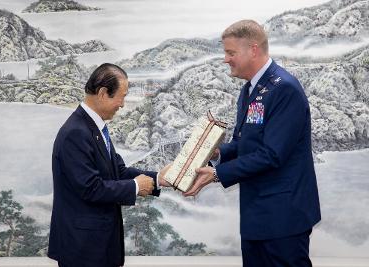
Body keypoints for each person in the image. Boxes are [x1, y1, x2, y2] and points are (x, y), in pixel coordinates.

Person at [184, 20, 321, 266]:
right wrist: (214, 153)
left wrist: (217, 174)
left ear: (253, 50)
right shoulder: (249, 89)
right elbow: (243, 141)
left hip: (283, 217)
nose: (226, 59)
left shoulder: (285, 89)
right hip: (256, 215)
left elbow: (272, 154)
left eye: (230, 52)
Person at [48, 63, 171, 267]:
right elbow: (90, 188)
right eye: (121, 96)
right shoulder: (76, 133)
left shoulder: (93, 127)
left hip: (98, 244)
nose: (123, 104)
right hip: (83, 249)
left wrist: (158, 179)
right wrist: (135, 187)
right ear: (104, 93)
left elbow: (118, 171)